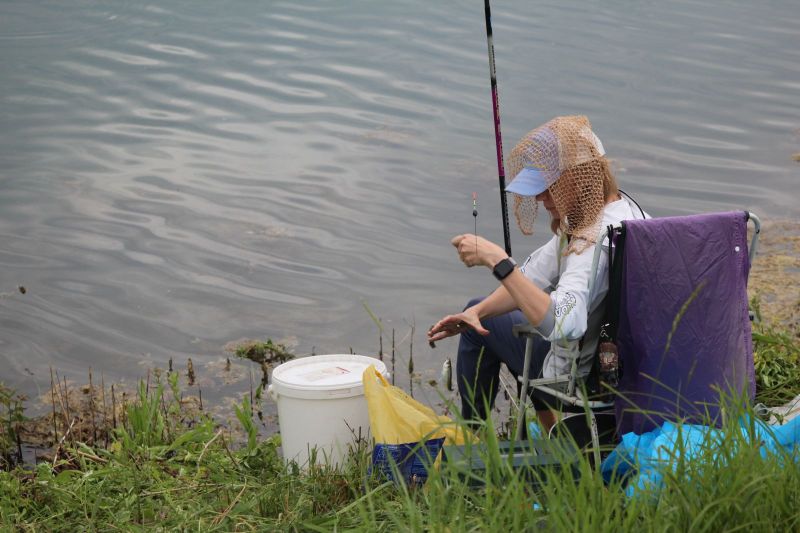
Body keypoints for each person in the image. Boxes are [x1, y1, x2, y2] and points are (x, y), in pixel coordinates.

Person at [426, 115, 647, 432]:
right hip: (626, 372)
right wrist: (477, 312)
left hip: (579, 380)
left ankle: (474, 436)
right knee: (479, 312)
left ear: (578, 179)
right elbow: (531, 278)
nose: (539, 197)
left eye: (548, 187)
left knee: (483, 330)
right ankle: (549, 432)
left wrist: (497, 261)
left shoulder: (587, 245)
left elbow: (562, 322)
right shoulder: (630, 215)